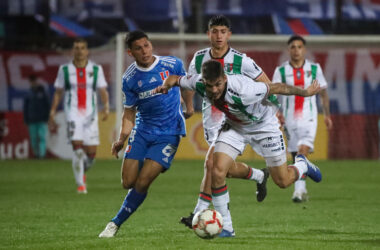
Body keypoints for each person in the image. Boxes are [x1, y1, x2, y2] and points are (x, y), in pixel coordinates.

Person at [155, 60, 323, 237]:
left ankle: (303, 164)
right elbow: (174, 78)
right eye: (209, 85)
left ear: (225, 78)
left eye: (218, 84)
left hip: (264, 126)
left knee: (283, 181)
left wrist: (305, 92)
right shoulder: (198, 82)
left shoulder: (244, 89)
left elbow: (277, 87)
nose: (214, 90)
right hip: (235, 127)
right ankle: (227, 227)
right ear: (203, 81)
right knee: (217, 170)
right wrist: (165, 86)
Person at [180, 15, 273, 230]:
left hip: (234, 120)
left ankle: (201, 213)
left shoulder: (242, 61)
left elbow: (266, 83)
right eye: (215, 31)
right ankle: (259, 175)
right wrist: (189, 106)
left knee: (211, 164)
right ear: (208, 34)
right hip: (210, 118)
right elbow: (187, 83)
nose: (219, 35)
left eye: (223, 31)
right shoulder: (199, 58)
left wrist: (271, 110)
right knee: (223, 169)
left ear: (229, 34)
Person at [98, 30, 192, 238]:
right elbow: (129, 112)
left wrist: (191, 107)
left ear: (151, 45)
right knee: (128, 182)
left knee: (143, 182)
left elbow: (187, 85)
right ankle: (144, 164)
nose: (144, 51)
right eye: (138, 48)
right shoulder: (130, 78)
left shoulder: (172, 64)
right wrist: (122, 138)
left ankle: (114, 224)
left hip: (169, 133)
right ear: (130, 52)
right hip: (142, 131)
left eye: (147, 46)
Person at [272, 35, 333, 203]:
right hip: (289, 119)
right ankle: (303, 188)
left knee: (302, 150)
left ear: (304, 50)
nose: (296, 50)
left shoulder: (315, 69)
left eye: (299, 47)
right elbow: (274, 94)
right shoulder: (281, 71)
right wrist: (276, 113)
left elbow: (323, 94)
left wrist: (327, 115)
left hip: (309, 118)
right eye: (293, 47)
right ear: (288, 50)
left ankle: (298, 192)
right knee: (295, 155)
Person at [48, 38, 110, 194]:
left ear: (87, 51)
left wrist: (106, 107)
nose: (80, 51)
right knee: (78, 150)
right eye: (76, 48)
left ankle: (82, 171)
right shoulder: (64, 70)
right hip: (73, 113)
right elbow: (58, 92)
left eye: (82, 48)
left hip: (91, 115)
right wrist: (53, 111)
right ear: (73, 50)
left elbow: (102, 90)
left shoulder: (96, 69)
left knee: (91, 155)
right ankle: (80, 184)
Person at [23, 75, 50, 158]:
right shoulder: (28, 93)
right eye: (32, 81)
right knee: (33, 139)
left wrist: (47, 117)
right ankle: (36, 154)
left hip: (42, 119)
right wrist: (26, 119)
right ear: (30, 82)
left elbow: (47, 105)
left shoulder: (42, 92)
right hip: (32, 120)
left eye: (34, 81)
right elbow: (25, 107)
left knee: (42, 137)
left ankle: (42, 155)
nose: (33, 83)